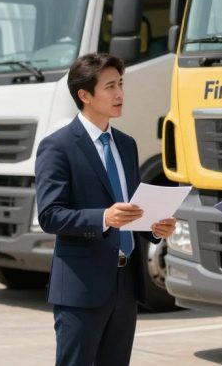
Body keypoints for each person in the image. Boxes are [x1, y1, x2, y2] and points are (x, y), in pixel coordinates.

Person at [35, 52, 177, 366]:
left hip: (126, 285)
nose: (120, 94)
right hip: (81, 287)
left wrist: (154, 227)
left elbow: (131, 208)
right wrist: (102, 217)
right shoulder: (58, 147)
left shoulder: (126, 144)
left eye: (121, 84)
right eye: (110, 86)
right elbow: (49, 214)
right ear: (84, 95)